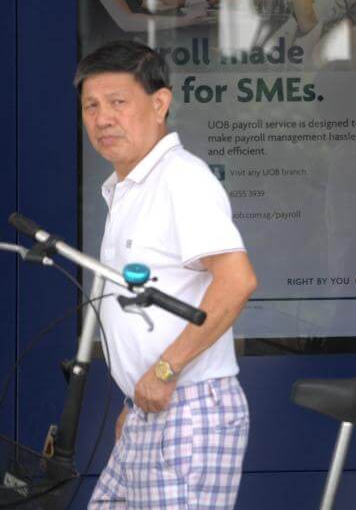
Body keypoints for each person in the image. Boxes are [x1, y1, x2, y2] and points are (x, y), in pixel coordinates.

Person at [78, 40, 259, 509]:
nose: (103, 119)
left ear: (160, 104)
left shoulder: (181, 179)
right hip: (151, 409)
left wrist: (164, 371)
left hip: (187, 410)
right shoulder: (128, 187)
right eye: (91, 106)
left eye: (118, 102)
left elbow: (237, 281)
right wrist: (135, 401)